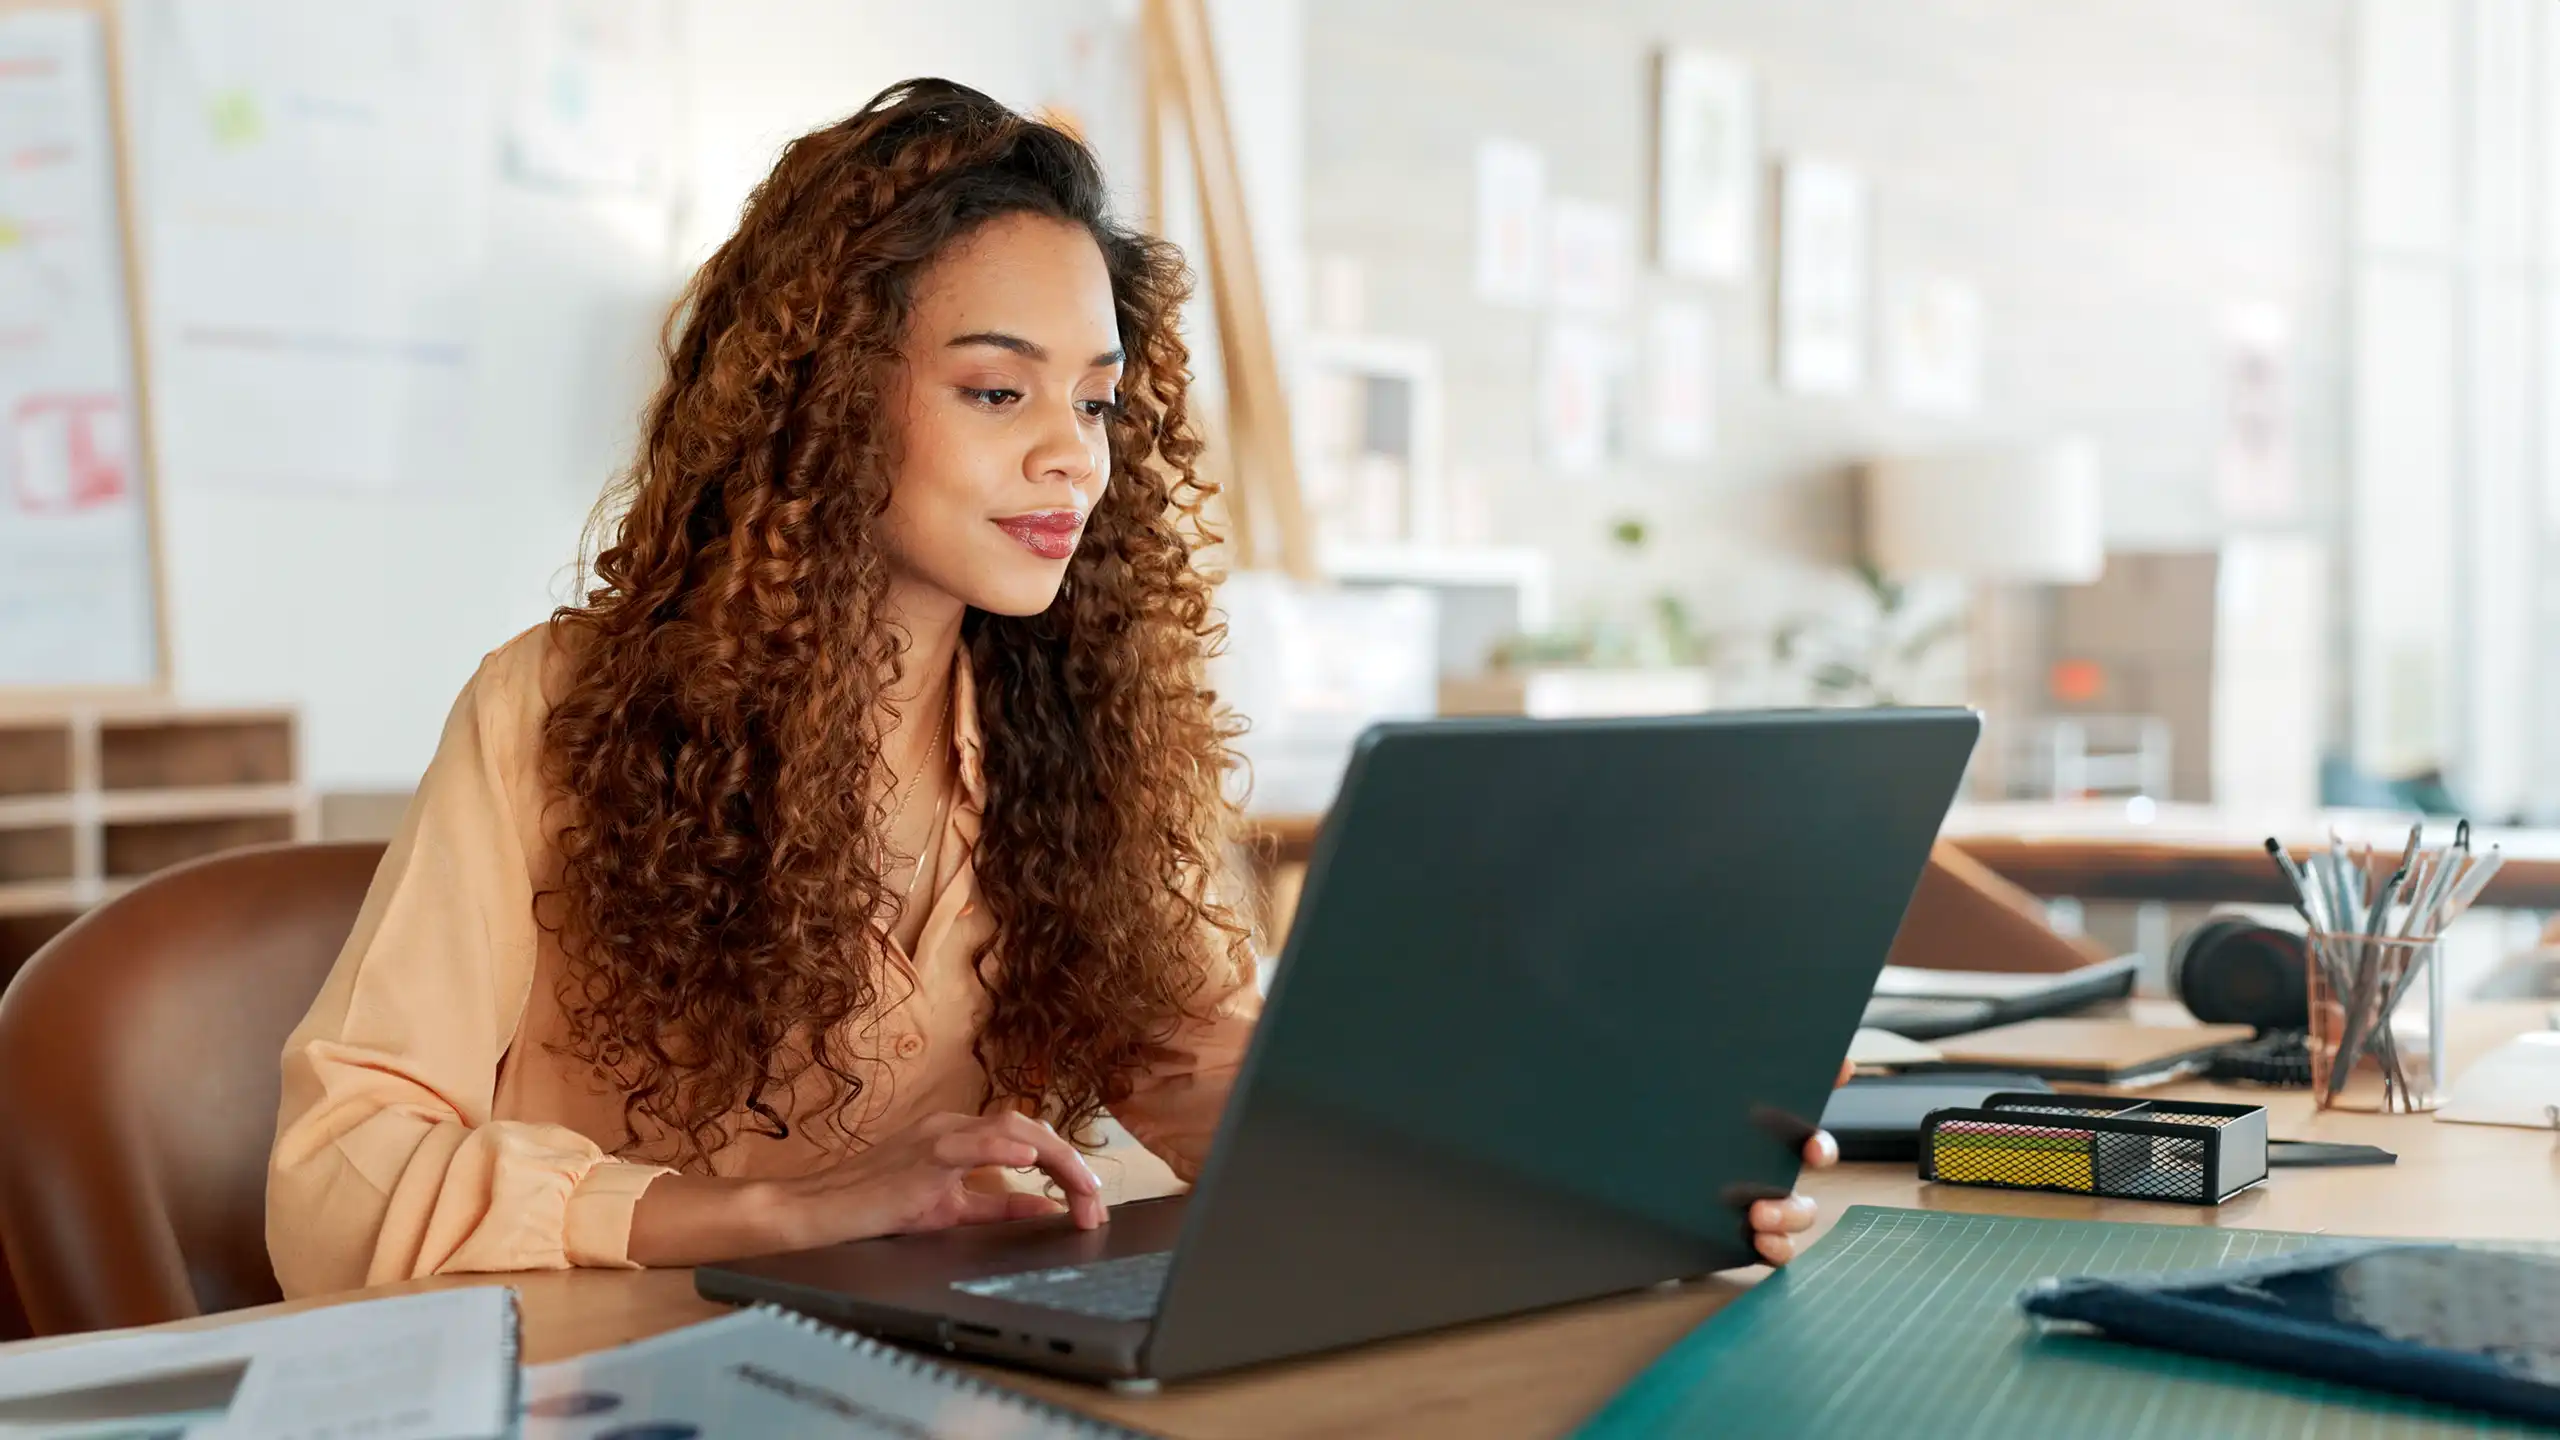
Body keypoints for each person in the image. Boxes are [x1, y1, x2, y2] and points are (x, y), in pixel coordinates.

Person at [265, 79, 1834, 1299]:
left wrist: (1575, 1164)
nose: (1070, 456)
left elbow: (1213, 1075)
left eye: (1095, 401)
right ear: (821, 405)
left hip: (949, 1372)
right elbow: (337, 1176)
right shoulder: (557, 707)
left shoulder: (1075, 730)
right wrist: (776, 1209)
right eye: (996, 389)